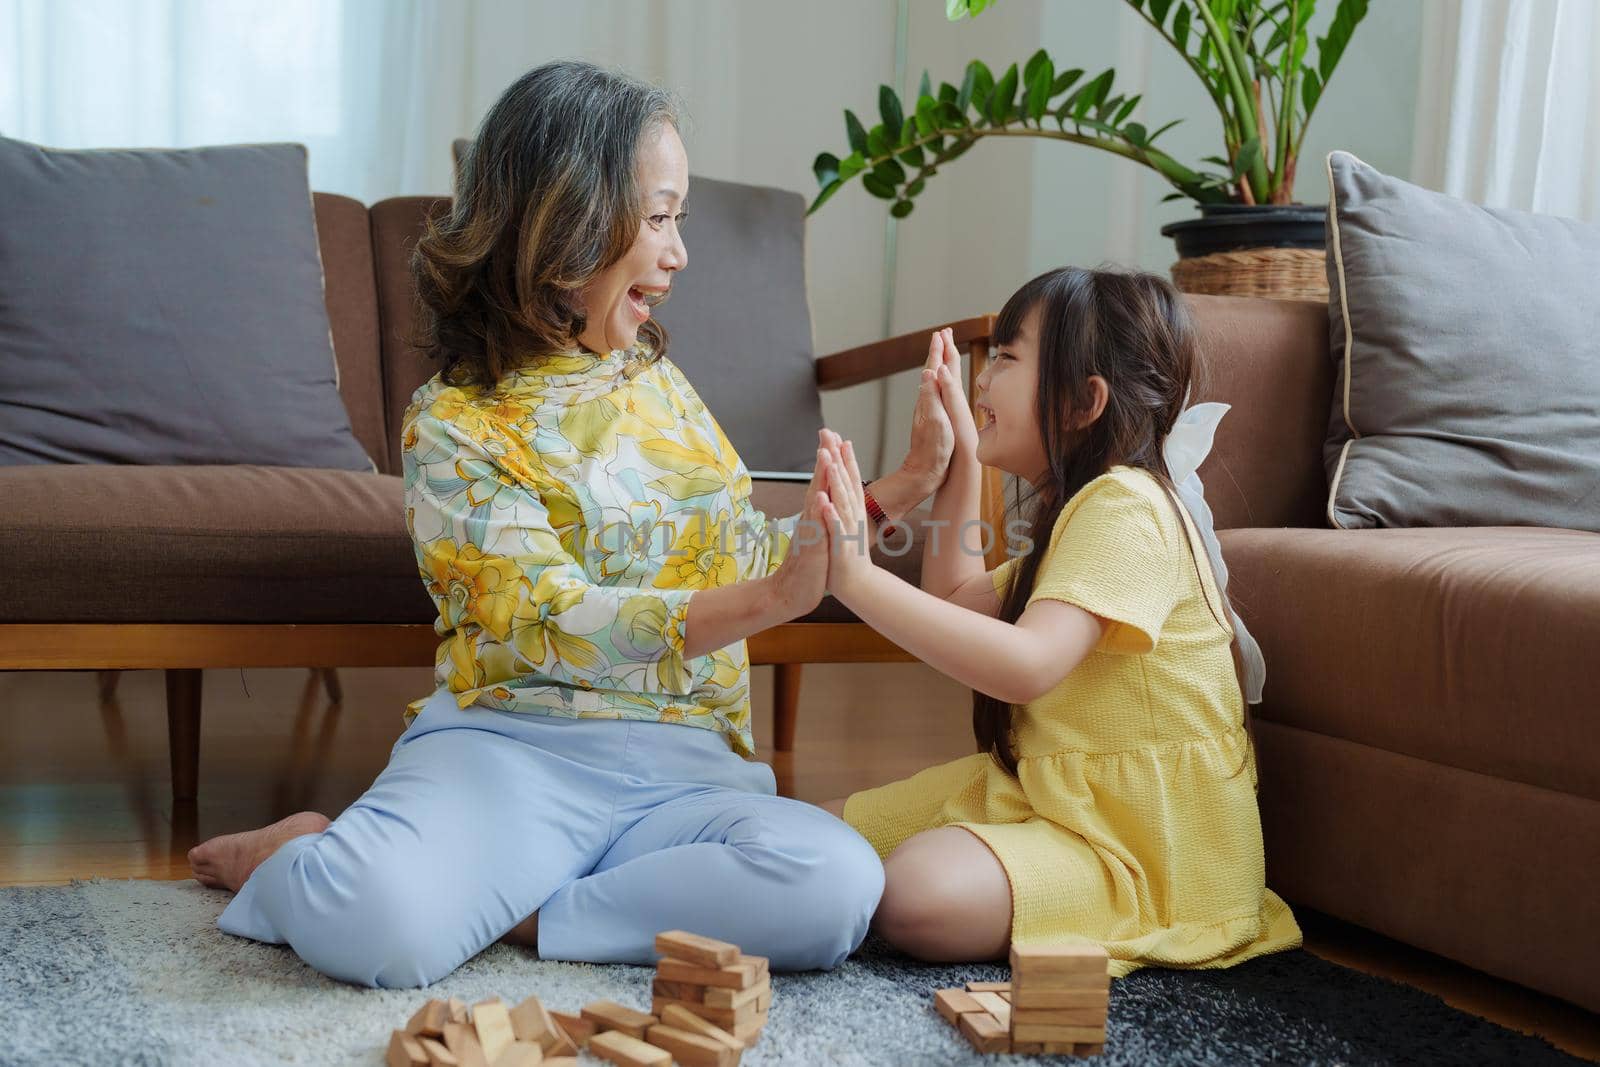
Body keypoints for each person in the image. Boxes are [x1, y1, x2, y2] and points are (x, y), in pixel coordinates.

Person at [186, 59, 958, 989]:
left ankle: (523, 911)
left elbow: (746, 554)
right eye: (662, 216)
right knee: (379, 929)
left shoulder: (658, 385)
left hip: (690, 769)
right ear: (570, 224)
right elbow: (547, 618)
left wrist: (903, 487)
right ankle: (296, 855)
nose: (678, 253)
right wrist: (768, 599)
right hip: (512, 749)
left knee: (835, 885)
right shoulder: (454, 421)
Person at [813, 266, 1304, 977]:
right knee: (819, 833)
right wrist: (957, 460)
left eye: (1007, 358)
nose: (983, 381)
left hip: (1139, 850)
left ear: (1082, 401)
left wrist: (854, 579)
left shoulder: (1127, 507)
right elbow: (957, 604)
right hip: (1055, 801)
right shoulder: (1085, 516)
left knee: (915, 893)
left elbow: (1024, 662)